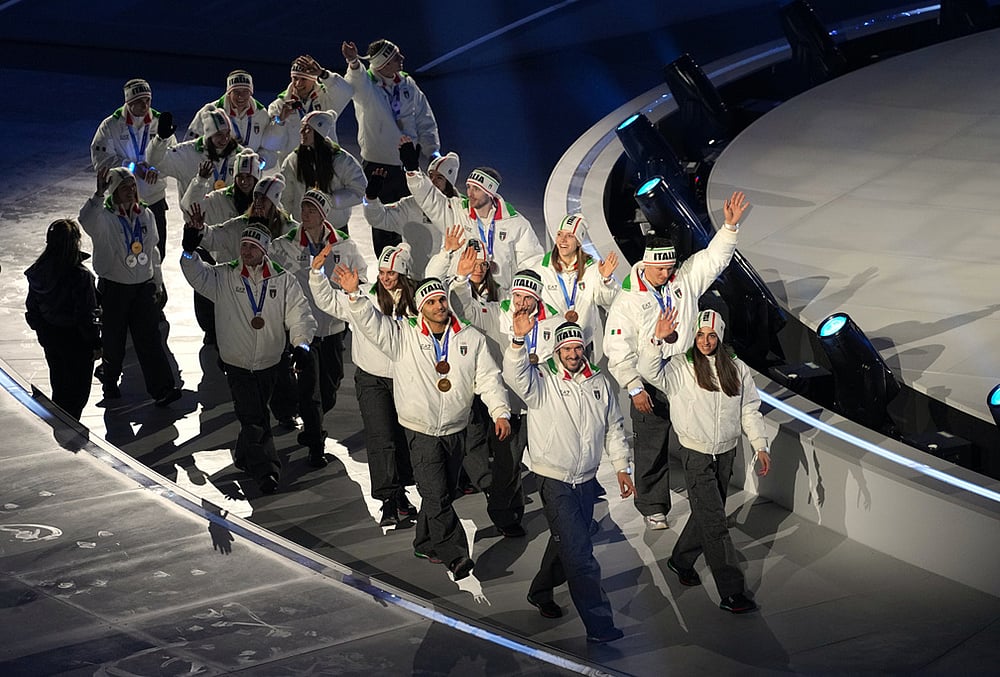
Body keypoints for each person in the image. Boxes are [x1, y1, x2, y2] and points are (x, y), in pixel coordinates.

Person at [333, 269, 510, 581]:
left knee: (443, 492)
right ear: (420, 308)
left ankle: (425, 541)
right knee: (437, 493)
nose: (440, 305)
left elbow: (488, 378)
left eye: (442, 299)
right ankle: (455, 555)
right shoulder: (404, 335)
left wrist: (499, 411)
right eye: (431, 302)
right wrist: (354, 296)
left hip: (456, 428)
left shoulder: (469, 338)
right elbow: (373, 325)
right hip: (420, 429)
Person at [604, 190, 748, 530]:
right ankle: (653, 505)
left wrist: (728, 228)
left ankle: (707, 505)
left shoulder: (682, 281)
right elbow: (618, 350)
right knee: (651, 446)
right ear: (647, 263)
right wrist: (634, 387)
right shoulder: (627, 301)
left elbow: (713, 259)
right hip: (649, 382)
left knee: (697, 444)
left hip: (686, 374)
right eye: (661, 268)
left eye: (670, 267)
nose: (666, 273)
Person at [503, 317, 634, 644]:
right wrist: (518, 342)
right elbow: (514, 375)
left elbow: (614, 426)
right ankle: (600, 627)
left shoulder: (599, 383)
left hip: (586, 480)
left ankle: (541, 590)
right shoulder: (541, 380)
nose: (574, 354)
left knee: (566, 541)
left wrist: (621, 466)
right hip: (554, 479)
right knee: (580, 552)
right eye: (567, 348)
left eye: (578, 347)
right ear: (557, 350)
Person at [639, 308, 771, 614]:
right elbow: (648, 370)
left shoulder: (736, 368)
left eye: (711, 335)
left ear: (720, 336)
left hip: (726, 452)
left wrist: (760, 445)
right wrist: (656, 340)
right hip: (696, 454)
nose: (705, 341)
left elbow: (749, 408)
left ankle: (680, 559)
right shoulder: (678, 367)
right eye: (700, 334)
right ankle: (731, 591)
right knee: (715, 523)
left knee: (705, 513)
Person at [180, 221, 317, 494]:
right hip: (237, 363)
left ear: (264, 250)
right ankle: (267, 471)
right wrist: (188, 253)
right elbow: (197, 275)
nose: (246, 251)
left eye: (252, 246)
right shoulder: (225, 276)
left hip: (270, 362)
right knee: (254, 417)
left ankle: (244, 455)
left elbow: (299, 315)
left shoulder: (283, 279)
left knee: (254, 415)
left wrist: (301, 345)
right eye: (243, 245)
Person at [449, 260, 564, 536]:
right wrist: (461, 278)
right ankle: (506, 517)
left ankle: (561, 515)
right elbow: (464, 307)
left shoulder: (555, 322)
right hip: (509, 407)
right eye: (518, 296)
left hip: (542, 407)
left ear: (538, 298)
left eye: (528, 297)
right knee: (507, 466)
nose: (521, 302)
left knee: (552, 465)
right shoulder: (496, 313)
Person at [309, 243, 418, 526]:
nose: (385, 277)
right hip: (371, 379)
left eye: (391, 273)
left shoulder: (417, 302)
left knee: (404, 437)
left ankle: (401, 493)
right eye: (382, 272)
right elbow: (329, 303)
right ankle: (389, 499)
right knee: (380, 437)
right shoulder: (364, 295)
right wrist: (317, 274)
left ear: (404, 273)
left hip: (407, 378)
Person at [270, 188, 368, 466]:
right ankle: (315, 443)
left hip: (335, 327)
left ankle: (313, 422)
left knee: (331, 386)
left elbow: (362, 275)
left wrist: (354, 286)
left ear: (324, 215)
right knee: (311, 389)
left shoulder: (344, 245)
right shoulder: (286, 244)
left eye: (312, 209)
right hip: (304, 329)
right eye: (303, 208)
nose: (305, 214)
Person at [79, 167, 181, 406]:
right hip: (115, 288)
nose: (130, 191)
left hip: (143, 287)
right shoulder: (103, 217)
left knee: (150, 339)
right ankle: (110, 380)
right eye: (124, 188)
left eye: (133, 187)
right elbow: (85, 219)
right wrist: (97, 194)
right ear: (113, 191)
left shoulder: (145, 215)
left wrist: (158, 282)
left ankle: (163, 388)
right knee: (113, 341)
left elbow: (153, 251)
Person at [402, 139, 543, 293]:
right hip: (460, 292)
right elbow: (430, 198)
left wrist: (518, 294)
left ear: (490, 193)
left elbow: (531, 262)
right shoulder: (457, 212)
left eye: (476, 189)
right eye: (468, 187)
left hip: (498, 299)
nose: (470, 193)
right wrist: (413, 171)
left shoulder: (515, 223)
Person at [342, 38, 440, 254]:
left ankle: (411, 268)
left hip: (408, 165)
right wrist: (353, 62)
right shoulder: (367, 85)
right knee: (382, 224)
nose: (402, 59)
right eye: (396, 57)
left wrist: (431, 150)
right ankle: (386, 270)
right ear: (383, 63)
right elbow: (355, 81)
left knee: (411, 218)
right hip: (378, 168)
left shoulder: (407, 83)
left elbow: (424, 116)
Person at [24, 219, 102, 420]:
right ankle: (67, 435)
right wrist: (95, 343)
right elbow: (87, 313)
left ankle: (59, 427)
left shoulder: (38, 272)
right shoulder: (81, 276)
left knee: (59, 386)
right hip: (77, 342)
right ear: (75, 242)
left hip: (51, 338)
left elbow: (32, 308)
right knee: (76, 396)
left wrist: (42, 331)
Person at [91, 78, 169, 260]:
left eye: (148, 100)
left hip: (153, 198)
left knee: (158, 251)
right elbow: (102, 160)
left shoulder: (159, 122)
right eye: (140, 101)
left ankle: (154, 285)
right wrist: (131, 167)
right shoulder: (111, 125)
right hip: (122, 200)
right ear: (128, 102)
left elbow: (172, 156)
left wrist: (156, 170)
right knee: (121, 250)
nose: (145, 105)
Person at [538, 213, 620, 359]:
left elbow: (607, 301)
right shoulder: (541, 269)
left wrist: (606, 279)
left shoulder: (593, 268)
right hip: (551, 344)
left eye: (569, 235)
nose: (562, 240)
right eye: (559, 234)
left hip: (583, 344)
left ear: (579, 241)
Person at [363, 151, 461, 274]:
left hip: (448, 279)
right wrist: (371, 198)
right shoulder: (411, 205)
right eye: (430, 176)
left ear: (449, 182)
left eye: (439, 178)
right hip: (415, 278)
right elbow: (379, 219)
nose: (432, 181)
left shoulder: (460, 209)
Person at [183, 70, 282, 170]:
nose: (241, 96)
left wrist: (261, 161)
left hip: (247, 177)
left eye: (245, 92)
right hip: (214, 174)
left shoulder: (261, 115)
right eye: (236, 92)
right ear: (229, 92)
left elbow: (270, 148)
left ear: (251, 92)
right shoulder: (209, 113)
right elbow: (191, 146)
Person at [279, 111, 366, 224]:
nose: (301, 132)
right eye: (302, 127)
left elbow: (360, 189)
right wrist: (283, 221)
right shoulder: (294, 160)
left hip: (335, 228)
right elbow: (286, 194)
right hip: (303, 227)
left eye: (308, 129)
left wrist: (331, 200)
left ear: (319, 132)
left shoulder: (341, 160)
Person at [268, 55, 354, 158]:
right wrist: (280, 120)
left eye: (303, 79)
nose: (298, 83)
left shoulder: (325, 98)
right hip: (295, 166)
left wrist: (323, 74)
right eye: (295, 78)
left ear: (313, 79)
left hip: (325, 162)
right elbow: (271, 143)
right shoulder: (279, 105)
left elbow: (347, 91)